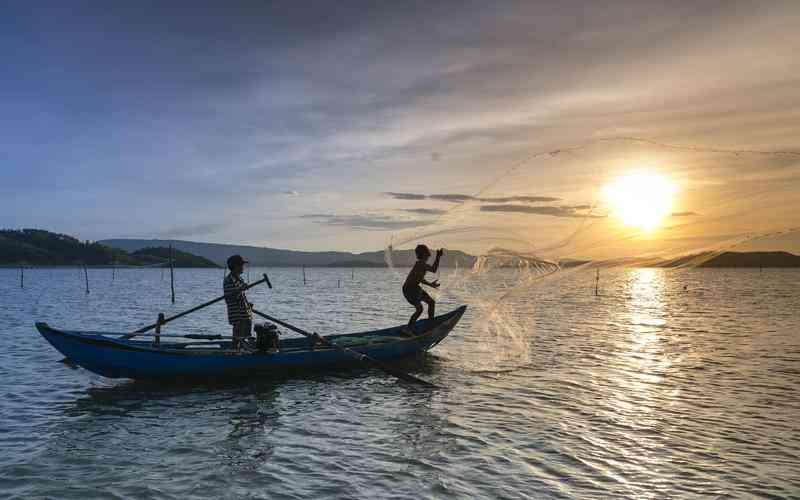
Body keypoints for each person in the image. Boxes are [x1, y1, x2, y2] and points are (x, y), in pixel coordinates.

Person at [403, 245, 443, 334]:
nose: (429, 256)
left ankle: (430, 325)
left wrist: (430, 284)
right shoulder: (420, 264)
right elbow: (434, 269)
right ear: (425, 254)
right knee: (420, 309)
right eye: (427, 253)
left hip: (415, 288)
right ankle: (408, 329)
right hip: (410, 289)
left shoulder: (420, 264)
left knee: (431, 303)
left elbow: (419, 278)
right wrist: (438, 257)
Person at [223, 254, 253, 351]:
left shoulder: (239, 279)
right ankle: (235, 353)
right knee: (238, 337)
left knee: (246, 336)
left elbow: (240, 296)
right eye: (241, 265)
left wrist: (248, 305)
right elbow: (231, 297)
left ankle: (245, 351)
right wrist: (241, 289)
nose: (243, 267)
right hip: (237, 315)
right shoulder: (229, 280)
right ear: (236, 266)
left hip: (244, 313)